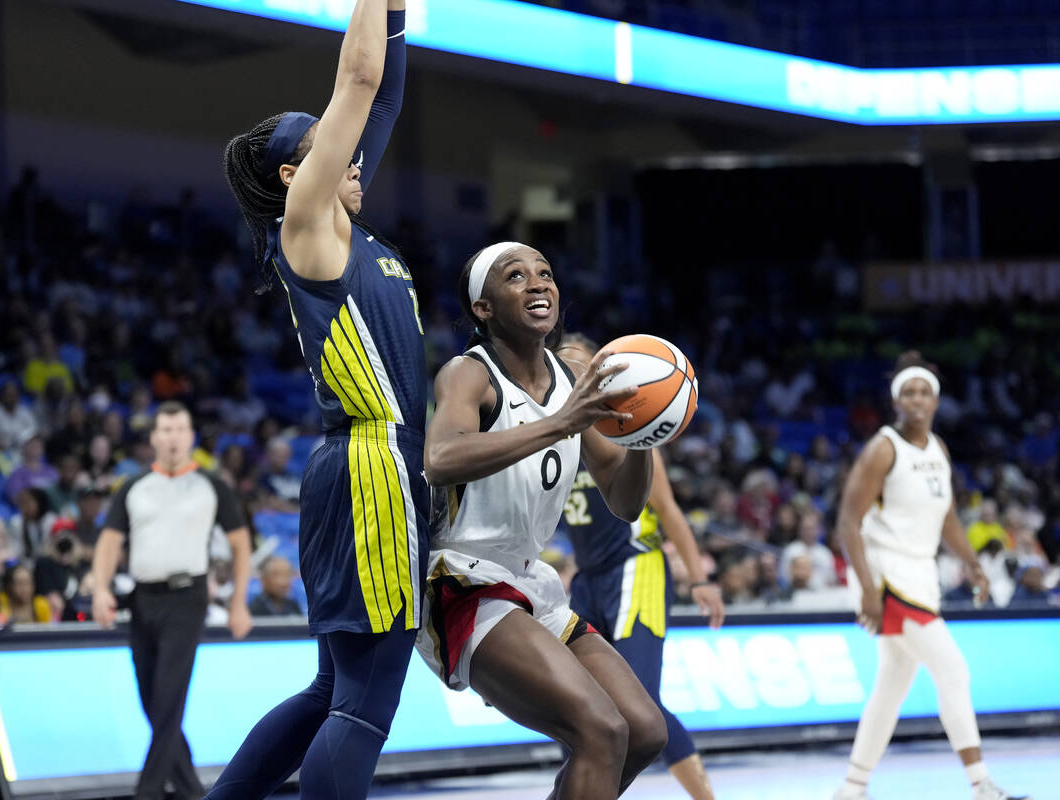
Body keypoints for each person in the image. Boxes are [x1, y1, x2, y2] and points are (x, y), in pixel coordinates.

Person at [207, 2, 427, 798]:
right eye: (334, 147)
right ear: (297, 174)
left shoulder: (336, 221)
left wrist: (396, 13)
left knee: (330, 692)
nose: (358, 157)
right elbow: (361, 80)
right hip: (373, 464)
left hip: (360, 465)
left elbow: (386, 93)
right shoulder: (308, 225)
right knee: (365, 705)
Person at [416, 242, 668, 798]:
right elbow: (440, 460)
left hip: (531, 580)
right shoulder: (468, 374)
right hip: (463, 578)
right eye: (516, 277)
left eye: (546, 274)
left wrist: (643, 434)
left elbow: (625, 503)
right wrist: (562, 424)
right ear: (483, 308)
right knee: (600, 732)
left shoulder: (573, 376)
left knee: (645, 731)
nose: (538, 284)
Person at [833, 352, 1029, 800]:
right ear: (896, 401)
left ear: (936, 402)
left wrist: (974, 564)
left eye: (925, 392)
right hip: (886, 575)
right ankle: (980, 783)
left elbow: (947, 518)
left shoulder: (938, 448)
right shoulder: (883, 447)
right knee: (953, 670)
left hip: (920, 574)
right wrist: (866, 588)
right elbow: (847, 521)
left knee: (892, 684)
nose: (917, 399)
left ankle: (852, 787)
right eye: (908, 392)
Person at [556, 334, 725, 800]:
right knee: (580, 704)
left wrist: (701, 580)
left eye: (580, 364)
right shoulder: (554, 429)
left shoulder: (627, 429)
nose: (571, 371)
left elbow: (669, 511)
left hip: (637, 567)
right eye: (562, 363)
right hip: (588, 578)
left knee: (642, 703)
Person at [91, 402, 252, 800]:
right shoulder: (134, 486)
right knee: (152, 700)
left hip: (187, 598)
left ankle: (146, 792)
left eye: (180, 429)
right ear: (153, 438)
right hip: (142, 599)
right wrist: (100, 589)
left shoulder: (211, 485)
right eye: (166, 430)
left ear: (190, 436)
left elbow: (240, 544)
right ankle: (191, 792)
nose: (173, 437)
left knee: (167, 697)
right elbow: (109, 541)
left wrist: (239, 602)